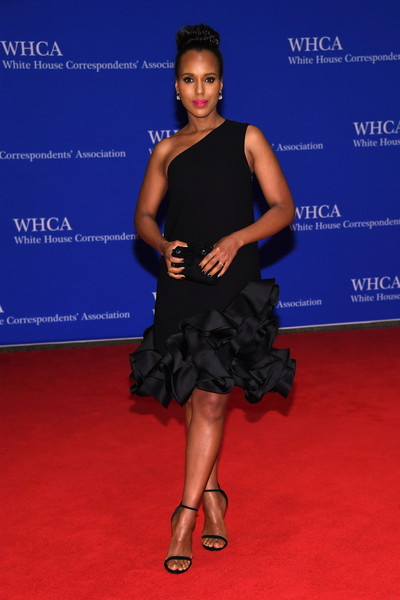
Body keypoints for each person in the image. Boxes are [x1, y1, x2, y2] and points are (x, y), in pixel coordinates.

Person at [130, 24, 296, 574]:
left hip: (231, 278)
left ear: (222, 85)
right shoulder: (165, 149)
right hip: (181, 282)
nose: (198, 90)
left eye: (208, 79)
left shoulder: (248, 137)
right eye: (188, 79)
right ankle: (215, 498)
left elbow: (283, 208)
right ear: (175, 86)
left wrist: (237, 239)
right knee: (194, 394)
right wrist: (162, 245)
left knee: (211, 399)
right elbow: (143, 216)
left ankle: (184, 515)